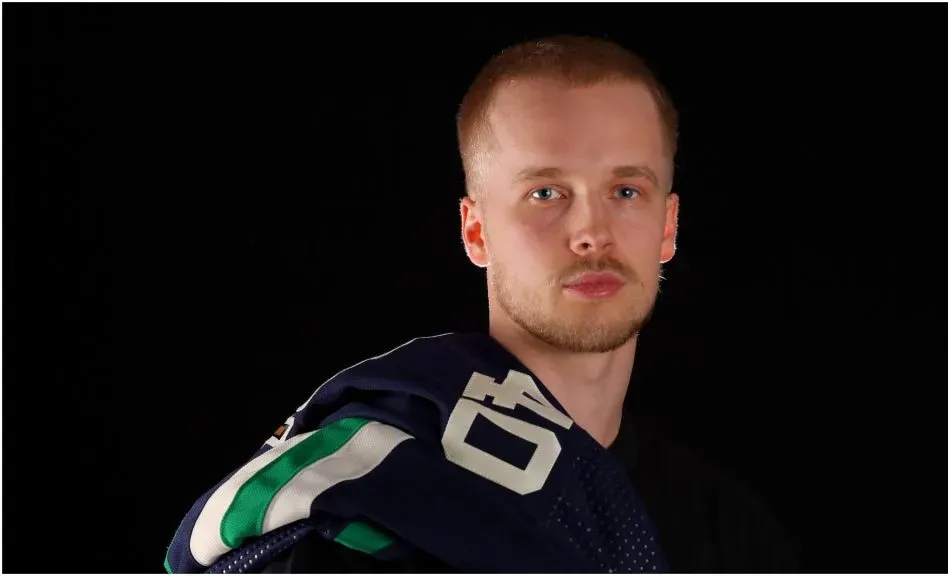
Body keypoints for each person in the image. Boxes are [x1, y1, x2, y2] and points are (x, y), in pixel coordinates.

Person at [164, 34, 799, 573]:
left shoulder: (730, 531)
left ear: (668, 225)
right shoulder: (359, 501)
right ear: (476, 232)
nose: (592, 232)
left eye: (627, 191)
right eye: (546, 193)